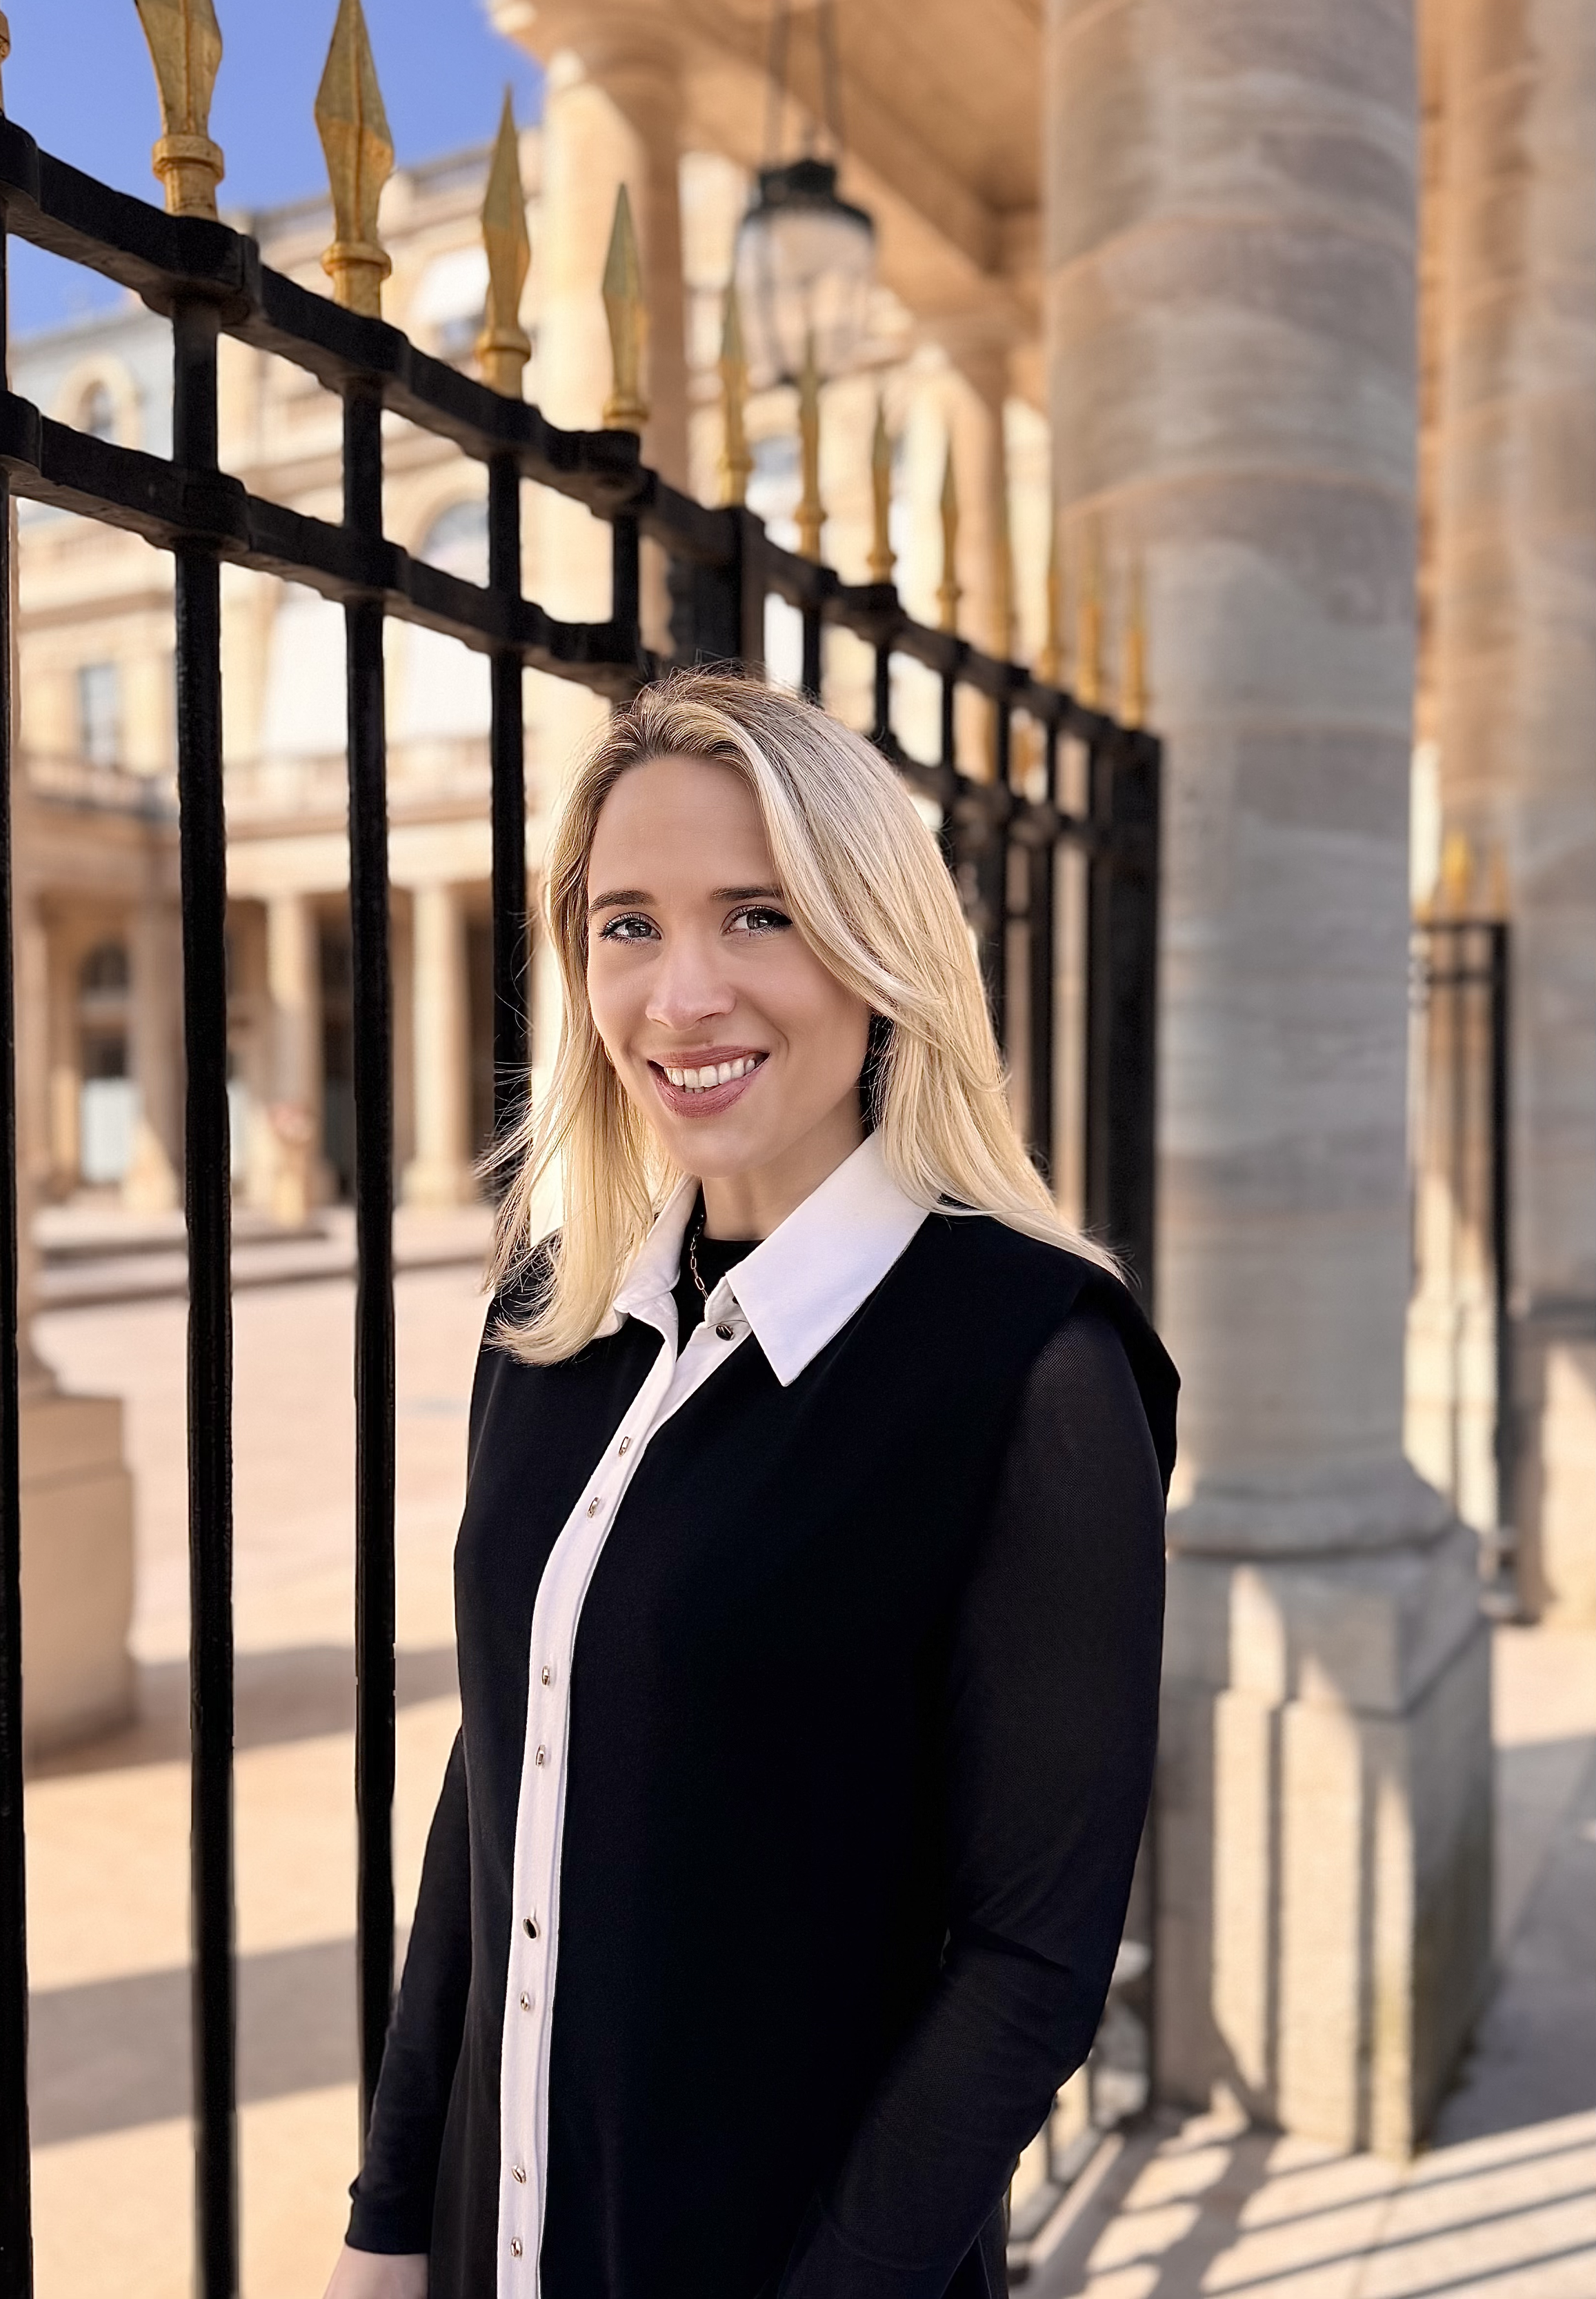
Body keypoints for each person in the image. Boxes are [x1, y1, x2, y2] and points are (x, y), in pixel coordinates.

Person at [323, 670, 1176, 2299]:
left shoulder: (1034, 1365)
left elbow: (1029, 1966)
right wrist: (387, 2219)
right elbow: (500, 1782)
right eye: (626, 924)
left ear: (877, 950)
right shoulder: (553, 1325)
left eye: (757, 914)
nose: (679, 992)